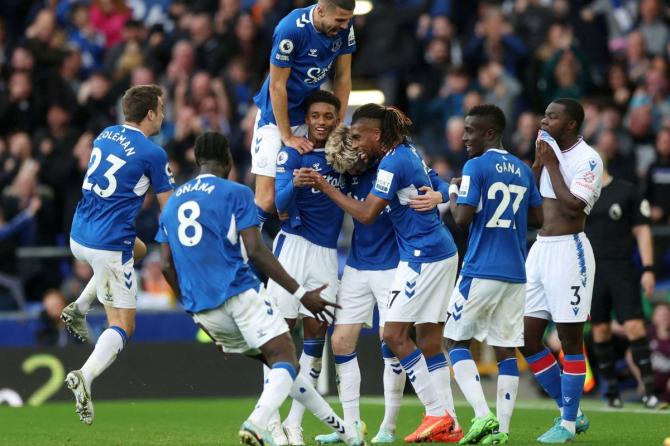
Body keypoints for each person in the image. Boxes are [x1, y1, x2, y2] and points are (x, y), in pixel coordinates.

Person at [156, 132, 364, 446]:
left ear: (197, 160)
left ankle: (346, 435)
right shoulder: (236, 192)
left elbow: (166, 266)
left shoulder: (172, 203)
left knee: (283, 367)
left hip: (203, 309)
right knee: (284, 356)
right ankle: (257, 423)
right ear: (227, 159)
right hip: (239, 294)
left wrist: (196, 313)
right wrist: (301, 293)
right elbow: (256, 250)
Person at [305, 104, 461, 443]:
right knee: (342, 340)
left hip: (399, 263)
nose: (356, 147)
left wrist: (442, 194)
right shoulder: (354, 167)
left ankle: (390, 427)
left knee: (392, 340)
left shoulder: (394, 162)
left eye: (360, 139)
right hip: (360, 265)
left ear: (377, 136)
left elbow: (437, 181)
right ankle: (351, 428)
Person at [63, 84, 176, 426]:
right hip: (108, 244)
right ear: (150, 115)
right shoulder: (153, 153)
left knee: (138, 250)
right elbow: (167, 210)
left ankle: (80, 306)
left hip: (79, 233)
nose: (164, 114)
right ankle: (85, 376)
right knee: (124, 325)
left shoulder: (106, 134)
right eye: (161, 108)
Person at [437, 104, 542, 445]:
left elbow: (463, 218)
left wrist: (454, 191)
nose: (464, 137)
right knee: (505, 348)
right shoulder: (523, 169)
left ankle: (483, 416)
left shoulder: (475, 166)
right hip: (515, 271)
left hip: (481, 269)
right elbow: (539, 218)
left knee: (455, 340)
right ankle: (504, 431)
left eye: (471, 131)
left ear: (491, 132)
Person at [265, 90, 347, 445]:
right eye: (315, 115)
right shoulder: (292, 153)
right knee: (280, 335)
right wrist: (295, 186)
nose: (321, 122)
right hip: (292, 248)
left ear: (336, 118)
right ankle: (270, 420)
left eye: (328, 116)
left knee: (316, 333)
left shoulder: (345, 157)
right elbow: (279, 208)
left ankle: (295, 423)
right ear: (308, 117)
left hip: (326, 254)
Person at [521, 99, 603, 443]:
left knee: (570, 340)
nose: (544, 120)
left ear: (570, 124)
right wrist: (538, 164)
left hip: (570, 250)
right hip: (540, 249)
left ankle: (567, 424)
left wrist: (552, 164)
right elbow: (532, 207)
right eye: (544, 114)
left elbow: (573, 207)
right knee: (524, 337)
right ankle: (573, 413)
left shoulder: (589, 159)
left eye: (552, 117)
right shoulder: (547, 152)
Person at [250, 0, 355, 227]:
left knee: (316, 185)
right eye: (340, 20)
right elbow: (277, 86)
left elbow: (343, 78)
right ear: (320, 11)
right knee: (267, 200)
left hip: (310, 118)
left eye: (348, 19)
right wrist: (287, 136)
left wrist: (338, 123)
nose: (345, 26)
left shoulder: (344, 28)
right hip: (274, 120)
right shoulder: (290, 29)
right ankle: (243, 252)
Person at [585, 158, 659, 408]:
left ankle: (649, 391)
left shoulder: (626, 191)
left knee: (635, 328)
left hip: (621, 268)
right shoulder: (583, 196)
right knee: (600, 331)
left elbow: (643, 230)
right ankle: (611, 392)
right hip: (592, 272)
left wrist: (648, 269)